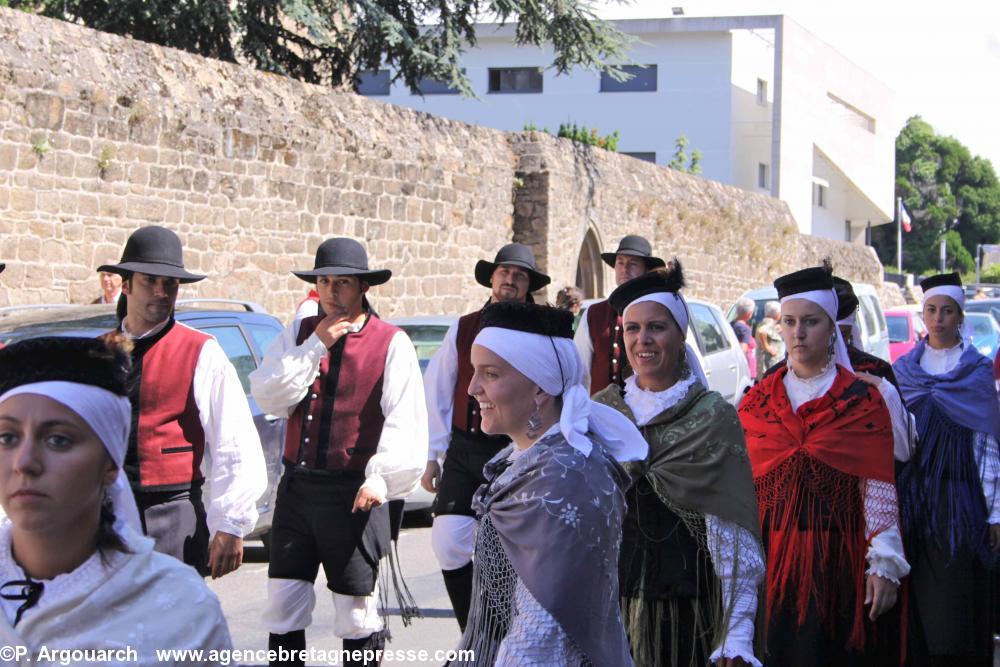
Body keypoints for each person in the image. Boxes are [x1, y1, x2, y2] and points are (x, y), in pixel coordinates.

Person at [0, 335, 232, 665]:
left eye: (58, 440)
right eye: (7, 437)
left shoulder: (179, 609)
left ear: (110, 464)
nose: (24, 462)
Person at [250, 237, 427, 667]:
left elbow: (406, 421)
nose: (331, 292)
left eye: (342, 283)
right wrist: (315, 347)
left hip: (353, 494)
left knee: (355, 614)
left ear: (363, 288)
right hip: (297, 492)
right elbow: (269, 395)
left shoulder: (391, 343)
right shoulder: (299, 334)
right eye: (324, 282)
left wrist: (380, 477)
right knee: (284, 605)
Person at [455, 300, 648, 665]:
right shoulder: (526, 462)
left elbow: (542, 631)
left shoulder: (565, 479)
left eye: (491, 374)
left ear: (540, 389)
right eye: (474, 372)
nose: (473, 388)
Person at [593, 264, 764, 667]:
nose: (642, 340)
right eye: (632, 328)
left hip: (688, 611)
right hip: (611, 606)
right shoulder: (602, 411)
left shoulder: (711, 417)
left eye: (656, 327)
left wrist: (738, 630)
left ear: (680, 334)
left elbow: (732, 531)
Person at [738, 265, 909, 667]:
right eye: (790, 322)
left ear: (832, 327)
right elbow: (743, 494)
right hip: (775, 561)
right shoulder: (756, 403)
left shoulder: (861, 402)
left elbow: (878, 487)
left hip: (839, 563)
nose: (798, 333)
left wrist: (883, 564)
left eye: (810, 322)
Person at [97, 225, 267, 578]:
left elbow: (233, 441)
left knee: (172, 628)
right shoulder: (99, 352)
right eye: (150, 281)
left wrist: (231, 523)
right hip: (105, 513)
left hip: (172, 516)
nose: (161, 292)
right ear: (126, 285)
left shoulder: (201, 351)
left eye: (169, 284)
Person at [420, 243, 550, 632]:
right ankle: (476, 635)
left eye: (519, 275)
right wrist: (432, 454)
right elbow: (439, 389)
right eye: (504, 272)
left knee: (519, 549)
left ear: (528, 285)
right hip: (466, 448)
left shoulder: (544, 327)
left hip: (521, 449)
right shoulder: (463, 326)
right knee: (448, 540)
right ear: (492, 278)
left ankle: (514, 633)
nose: (510, 279)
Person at [893, 272, 999, 666]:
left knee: (954, 604)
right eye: (931, 310)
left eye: (947, 311)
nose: (937, 319)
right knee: (915, 602)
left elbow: (986, 445)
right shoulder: (904, 372)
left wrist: (996, 510)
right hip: (913, 500)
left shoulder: (975, 373)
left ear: (960, 316)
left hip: (958, 500)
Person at [575, 235, 666, 395]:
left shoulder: (660, 312)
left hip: (648, 413)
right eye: (620, 263)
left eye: (633, 263)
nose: (625, 269)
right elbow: (579, 370)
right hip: (602, 414)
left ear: (646, 270)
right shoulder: (594, 314)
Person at [754, 300, 783, 376]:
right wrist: (767, 347)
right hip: (769, 364)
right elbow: (761, 331)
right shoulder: (769, 322)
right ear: (777, 314)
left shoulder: (765, 322)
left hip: (765, 364)